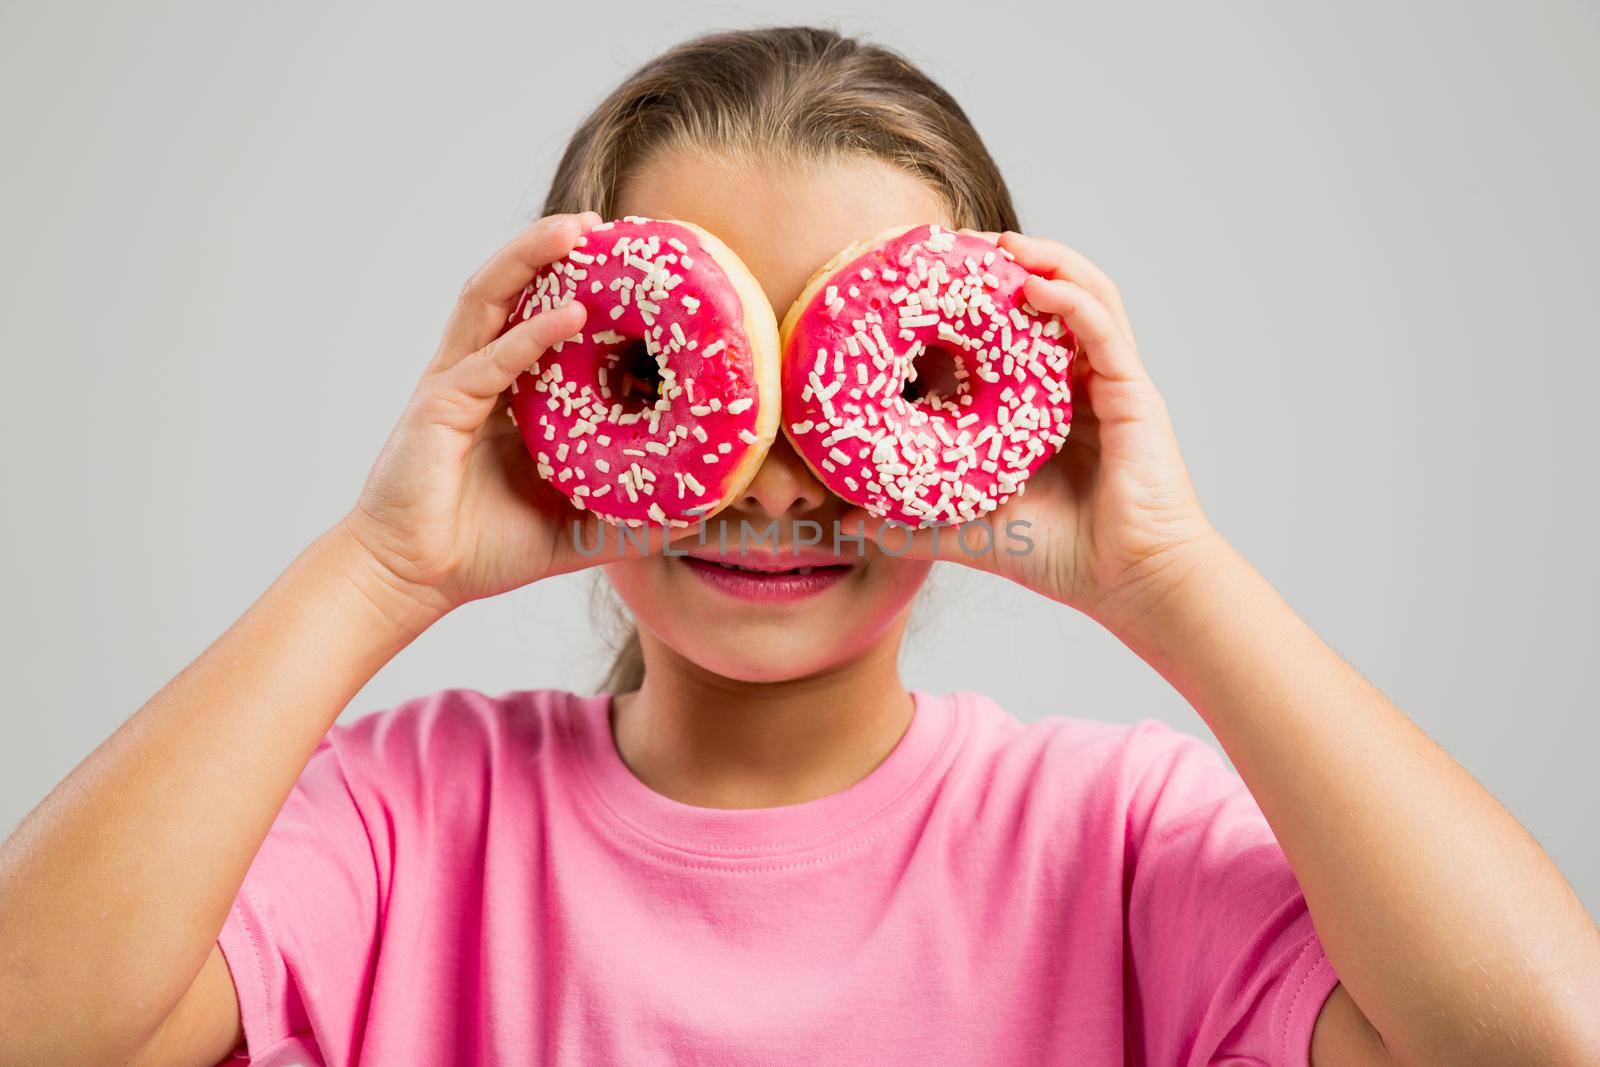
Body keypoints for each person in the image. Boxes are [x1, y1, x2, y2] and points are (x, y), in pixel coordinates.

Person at [1, 25, 1595, 1067]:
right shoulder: (408, 826)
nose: (768, 480)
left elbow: (1544, 1043)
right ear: (547, 387)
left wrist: (1171, 579)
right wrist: (377, 573)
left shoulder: (1114, 846)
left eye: (869, 380)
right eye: (669, 378)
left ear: (1002, 400)